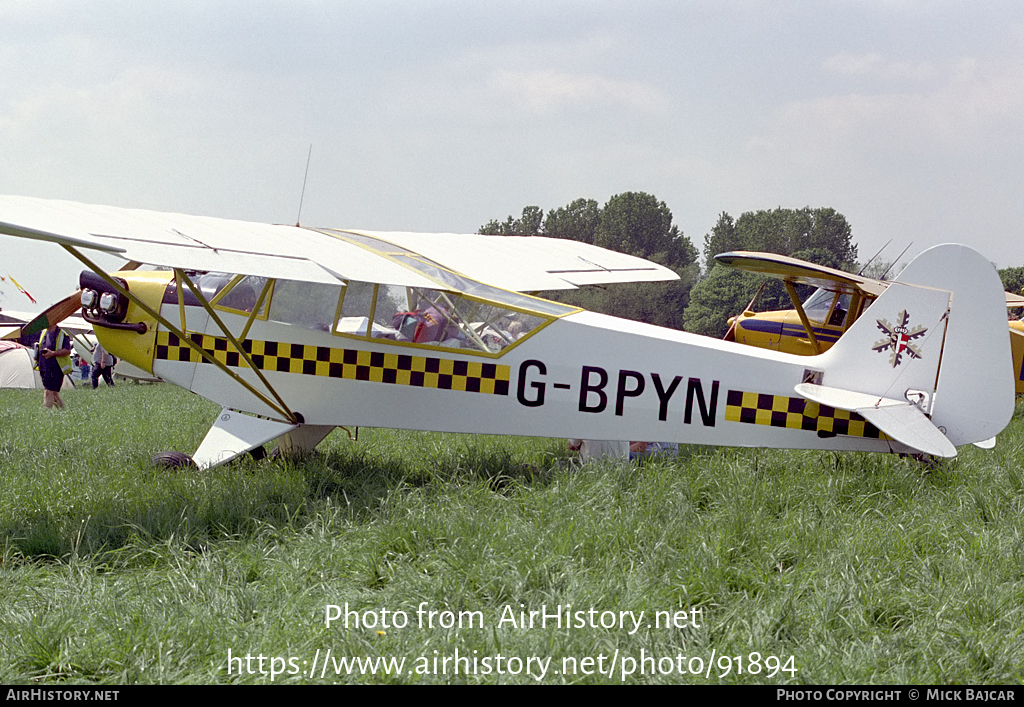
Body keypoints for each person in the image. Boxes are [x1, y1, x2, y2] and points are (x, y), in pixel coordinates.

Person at [38, 324, 72, 409]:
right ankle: (63, 412)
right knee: (53, 393)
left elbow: (67, 350)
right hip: (44, 366)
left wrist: (53, 353)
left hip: (55, 367)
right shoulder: (44, 332)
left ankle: (46, 415)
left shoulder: (62, 334)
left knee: (48, 392)